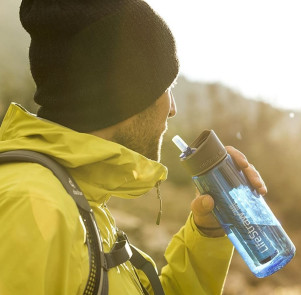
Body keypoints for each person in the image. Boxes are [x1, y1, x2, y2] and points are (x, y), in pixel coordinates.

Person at [0, 0, 267, 294]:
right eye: (167, 87)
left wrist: (208, 230)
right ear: (127, 96)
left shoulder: (77, 202)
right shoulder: (33, 206)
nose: (172, 109)